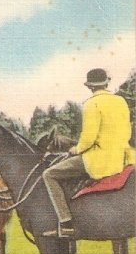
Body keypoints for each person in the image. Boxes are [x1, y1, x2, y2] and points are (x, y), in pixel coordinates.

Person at [42, 69, 134, 237]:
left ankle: (66, 222)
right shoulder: (120, 101)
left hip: (100, 160)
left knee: (49, 175)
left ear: (90, 87)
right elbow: (127, 130)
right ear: (107, 83)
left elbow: (89, 138)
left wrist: (76, 149)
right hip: (124, 156)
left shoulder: (91, 104)